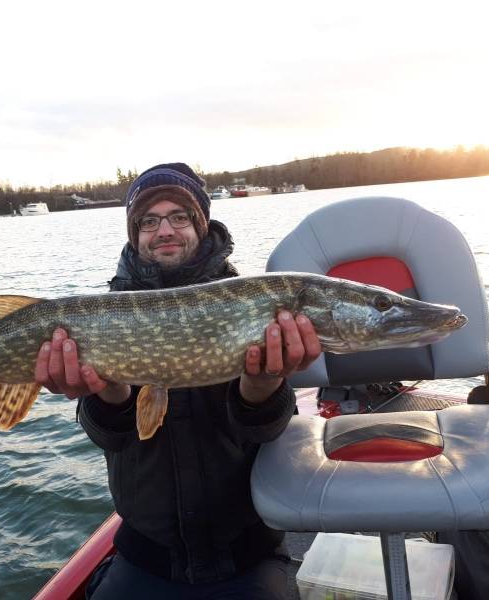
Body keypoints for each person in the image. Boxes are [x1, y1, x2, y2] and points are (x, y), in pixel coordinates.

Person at [34, 163, 322, 599]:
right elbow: (109, 438)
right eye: (149, 221)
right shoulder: (107, 315)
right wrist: (110, 395)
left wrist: (262, 387)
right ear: (135, 235)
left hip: (249, 556)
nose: (164, 229)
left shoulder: (251, 304)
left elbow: (267, 432)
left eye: (179, 217)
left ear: (200, 226)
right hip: (144, 558)